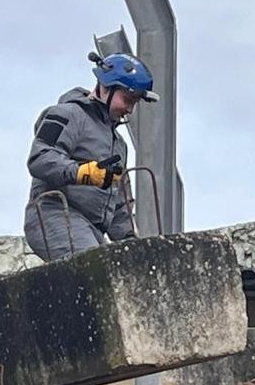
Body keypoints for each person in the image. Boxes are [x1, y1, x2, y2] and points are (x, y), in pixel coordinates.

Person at [23, 51, 158, 260]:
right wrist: (82, 173)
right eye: (127, 99)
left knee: (116, 271)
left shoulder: (119, 145)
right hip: (56, 214)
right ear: (105, 87)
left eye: (135, 103)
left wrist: (130, 243)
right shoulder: (67, 114)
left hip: (92, 230)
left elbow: (119, 203)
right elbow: (40, 158)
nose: (130, 109)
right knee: (94, 266)